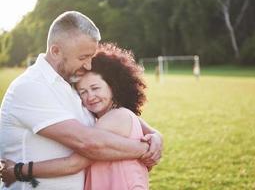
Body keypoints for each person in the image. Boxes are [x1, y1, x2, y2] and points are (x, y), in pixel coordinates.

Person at [0, 11, 162, 190]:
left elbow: (112, 113)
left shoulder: (73, 82)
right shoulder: (31, 87)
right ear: (55, 51)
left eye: (91, 57)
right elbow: (89, 144)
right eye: (83, 57)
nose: (89, 65)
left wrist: (154, 134)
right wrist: (143, 149)